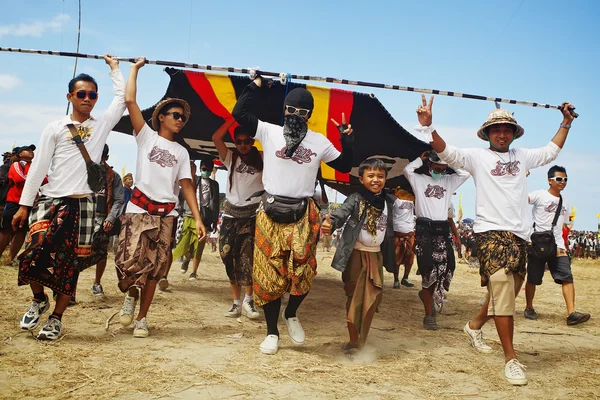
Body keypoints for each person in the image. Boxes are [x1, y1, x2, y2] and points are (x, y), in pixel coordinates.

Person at [425, 92, 576, 385]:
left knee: (504, 293)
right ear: (487, 133)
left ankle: (473, 326)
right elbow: (446, 152)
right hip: (489, 233)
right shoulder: (477, 157)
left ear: (514, 133)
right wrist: (429, 127)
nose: (502, 134)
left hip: (520, 237)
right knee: (503, 294)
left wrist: (566, 123)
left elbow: (551, 151)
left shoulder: (523, 157)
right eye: (496, 129)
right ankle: (511, 358)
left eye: (507, 129)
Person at [232, 75, 354, 355]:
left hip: (303, 214)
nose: (296, 115)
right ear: (284, 110)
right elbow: (240, 113)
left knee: (304, 271)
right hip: (270, 212)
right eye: (291, 110)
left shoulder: (319, 141)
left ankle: (292, 314)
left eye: (302, 112)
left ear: (309, 115)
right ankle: (272, 332)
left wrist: (348, 140)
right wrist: (255, 85)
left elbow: (346, 165)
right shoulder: (268, 131)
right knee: (268, 274)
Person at [13, 55, 125, 340]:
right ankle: (39, 299)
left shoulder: (101, 125)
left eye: (92, 95)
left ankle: (56, 319)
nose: (87, 99)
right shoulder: (55, 127)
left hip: (83, 205)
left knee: (68, 265)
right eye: (82, 94)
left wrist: (116, 69)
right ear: (70, 96)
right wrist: (24, 206)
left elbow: (122, 99)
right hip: (50, 201)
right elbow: (38, 169)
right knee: (30, 253)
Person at [116, 57, 206, 338]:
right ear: (162, 117)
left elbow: (187, 185)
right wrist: (134, 69)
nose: (180, 120)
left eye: (183, 117)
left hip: (166, 214)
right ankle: (130, 295)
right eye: (176, 115)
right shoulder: (146, 137)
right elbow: (130, 102)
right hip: (138, 209)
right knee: (128, 264)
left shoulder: (182, 152)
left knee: (155, 270)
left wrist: (199, 218)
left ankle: (142, 318)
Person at [322, 158, 396, 355]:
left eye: (380, 176)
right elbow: (341, 214)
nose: (376, 180)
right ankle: (355, 341)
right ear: (361, 178)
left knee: (373, 299)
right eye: (370, 176)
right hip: (355, 256)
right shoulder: (356, 198)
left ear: (386, 179)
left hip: (376, 257)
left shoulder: (389, 201)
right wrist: (331, 224)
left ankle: (361, 338)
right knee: (354, 298)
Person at [404, 149, 469, 329]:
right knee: (427, 270)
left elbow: (465, 172)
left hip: (443, 231)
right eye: (436, 168)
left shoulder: (449, 181)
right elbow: (408, 170)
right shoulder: (418, 180)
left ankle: (428, 296)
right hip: (425, 230)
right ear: (430, 165)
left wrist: (449, 159)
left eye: (443, 169)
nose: (439, 172)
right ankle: (429, 315)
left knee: (449, 267)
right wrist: (420, 158)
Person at [524, 166, 590, 325]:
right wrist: (521, 179)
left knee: (567, 276)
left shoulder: (564, 200)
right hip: (538, 243)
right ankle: (529, 307)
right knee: (533, 278)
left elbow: (564, 223)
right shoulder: (539, 195)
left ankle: (572, 313)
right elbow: (520, 199)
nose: (563, 182)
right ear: (549, 180)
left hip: (558, 245)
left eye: (565, 179)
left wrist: (567, 231)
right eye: (559, 179)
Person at [212, 119, 264, 320]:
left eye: (247, 141)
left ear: (252, 142)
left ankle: (248, 300)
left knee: (247, 258)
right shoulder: (230, 158)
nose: (243, 145)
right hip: (230, 215)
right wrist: (233, 120)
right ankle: (235, 302)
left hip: (252, 216)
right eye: (239, 141)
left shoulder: (262, 157)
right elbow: (216, 138)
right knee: (227, 256)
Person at [78, 144, 125, 296]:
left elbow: (119, 200)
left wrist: (111, 218)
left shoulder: (113, 176)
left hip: (103, 217)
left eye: (101, 157)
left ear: (106, 158)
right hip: (83, 215)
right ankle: (70, 287)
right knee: (77, 252)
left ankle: (97, 283)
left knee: (101, 252)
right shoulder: (82, 171)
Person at [174, 158, 219, 281]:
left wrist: (214, 221)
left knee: (199, 246)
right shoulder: (196, 180)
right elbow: (188, 189)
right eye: (204, 169)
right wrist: (192, 173)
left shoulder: (214, 185)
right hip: (191, 215)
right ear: (200, 168)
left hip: (205, 217)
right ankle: (187, 259)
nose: (206, 171)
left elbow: (216, 203)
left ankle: (194, 272)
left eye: (209, 170)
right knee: (186, 244)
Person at [0, 146, 44, 266]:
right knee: (6, 230)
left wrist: (34, 180)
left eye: (32, 150)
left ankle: (10, 259)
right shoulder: (16, 165)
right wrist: (35, 180)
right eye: (27, 149)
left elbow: (45, 180)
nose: (31, 151)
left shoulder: (36, 166)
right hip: (14, 201)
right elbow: (19, 178)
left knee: (22, 231)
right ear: (20, 154)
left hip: (30, 202)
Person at [391, 189, 416, 289]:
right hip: (397, 233)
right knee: (396, 257)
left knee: (410, 258)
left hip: (409, 233)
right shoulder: (394, 200)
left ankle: (405, 278)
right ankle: (396, 279)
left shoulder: (412, 200)